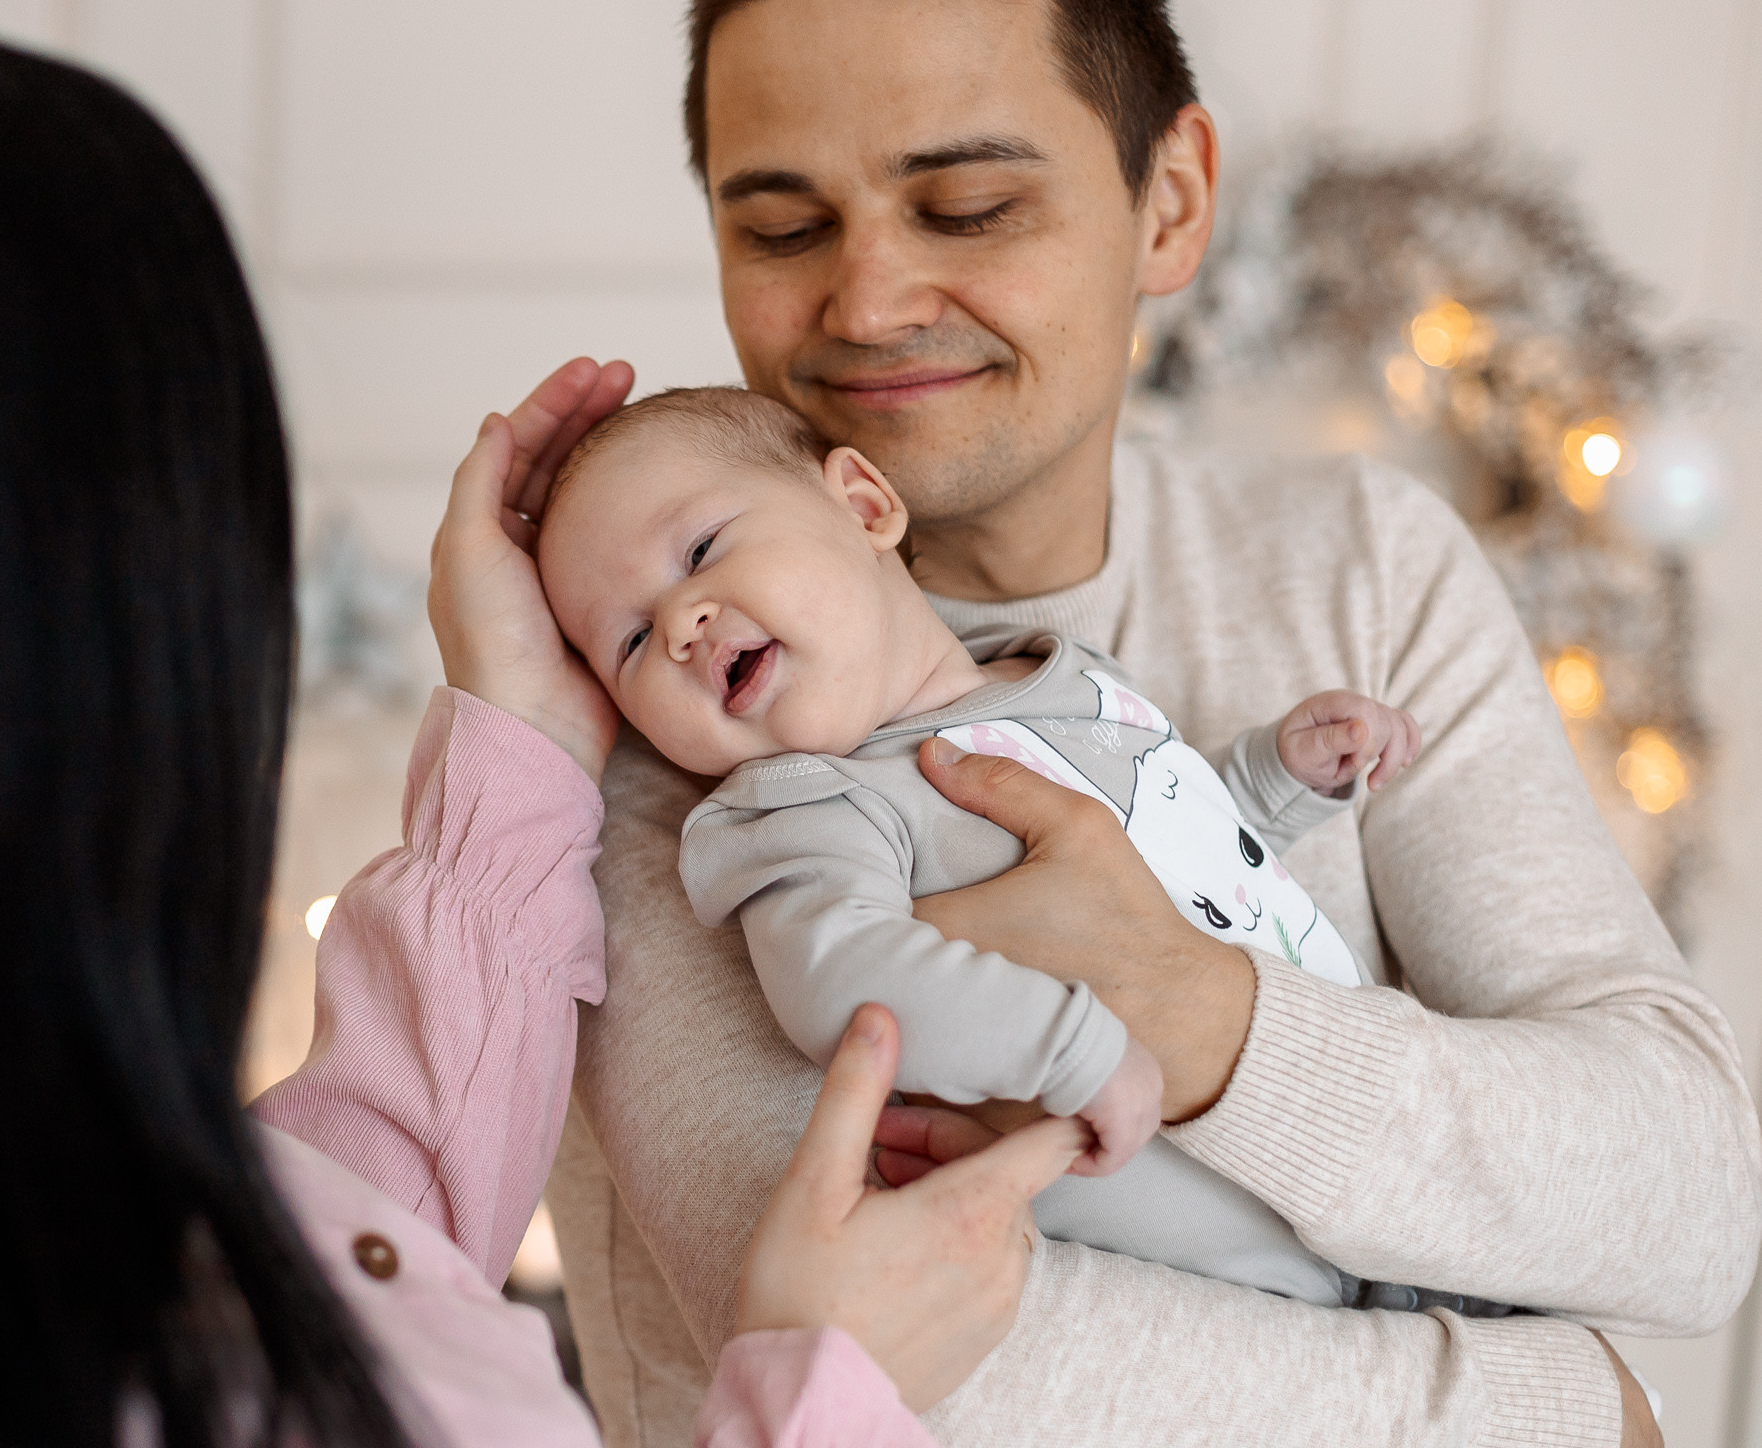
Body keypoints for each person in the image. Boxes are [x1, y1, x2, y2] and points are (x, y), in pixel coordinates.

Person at [0, 30, 1094, 1448]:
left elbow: (363, 1230)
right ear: (122, 636)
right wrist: (817, 1434)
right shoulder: (156, 1447)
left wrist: (520, 725)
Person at [509, 0, 1758, 1448]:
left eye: (965, 206)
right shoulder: (657, 744)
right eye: (781, 227)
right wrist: (1547, 1418)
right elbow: (936, 1412)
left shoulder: (1358, 565)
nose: (870, 300)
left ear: (1169, 203)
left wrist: (1201, 1013)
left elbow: (1689, 1194)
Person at [533, 382, 1468, 1317]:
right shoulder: (806, 807)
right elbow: (841, 979)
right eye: (630, 641)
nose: (680, 625)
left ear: (862, 505)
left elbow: (1182, 849)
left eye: (700, 551)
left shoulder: (1061, 674)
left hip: (1385, 1172)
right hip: (1254, 1276)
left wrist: (1274, 779)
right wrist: (1066, 1050)